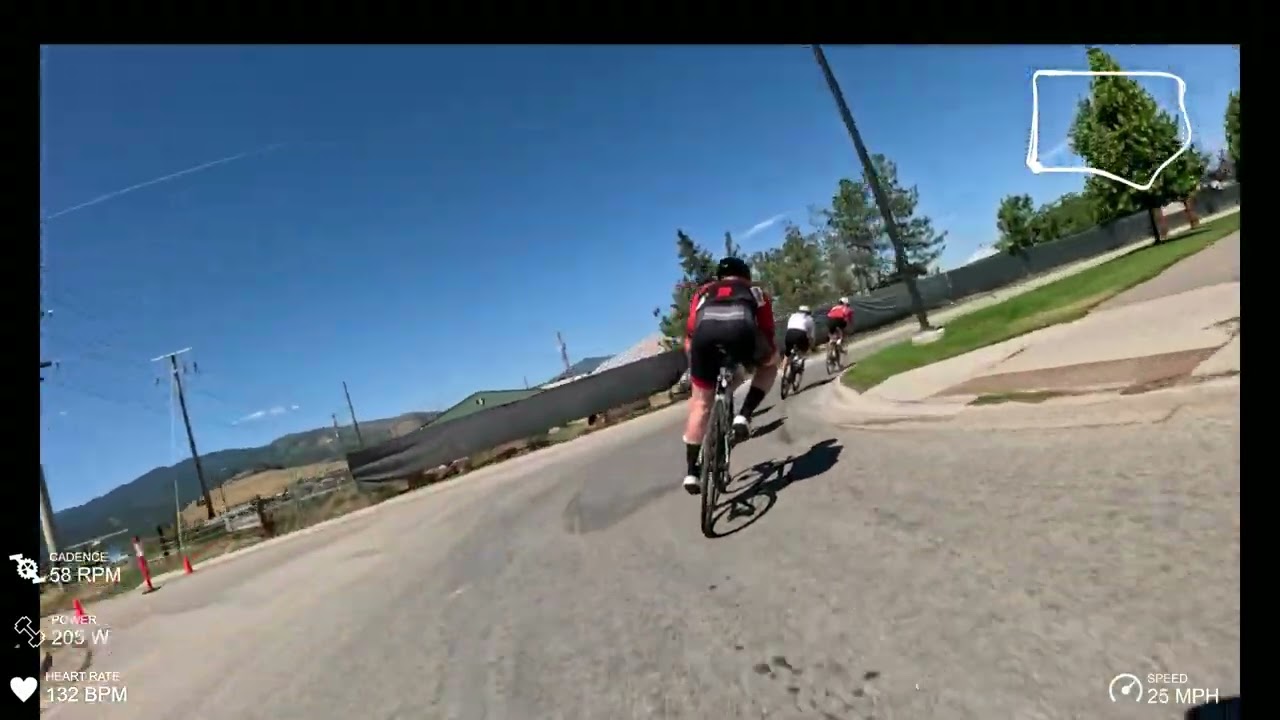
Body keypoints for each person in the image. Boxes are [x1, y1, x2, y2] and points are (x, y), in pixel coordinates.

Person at [680, 256, 779, 494]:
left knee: (700, 405)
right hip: (742, 333)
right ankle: (743, 416)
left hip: (703, 340)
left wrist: (695, 365)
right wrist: (769, 353)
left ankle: (692, 473)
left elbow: (691, 333)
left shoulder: (703, 292)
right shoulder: (755, 290)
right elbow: (766, 331)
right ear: (745, 274)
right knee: (771, 364)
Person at [783, 305, 816, 375]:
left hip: (789, 333)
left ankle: (783, 374)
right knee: (804, 349)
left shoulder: (793, 316)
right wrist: (812, 346)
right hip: (800, 334)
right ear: (808, 312)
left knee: (787, 354)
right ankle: (799, 362)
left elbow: (789, 327)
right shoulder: (809, 319)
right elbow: (811, 336)